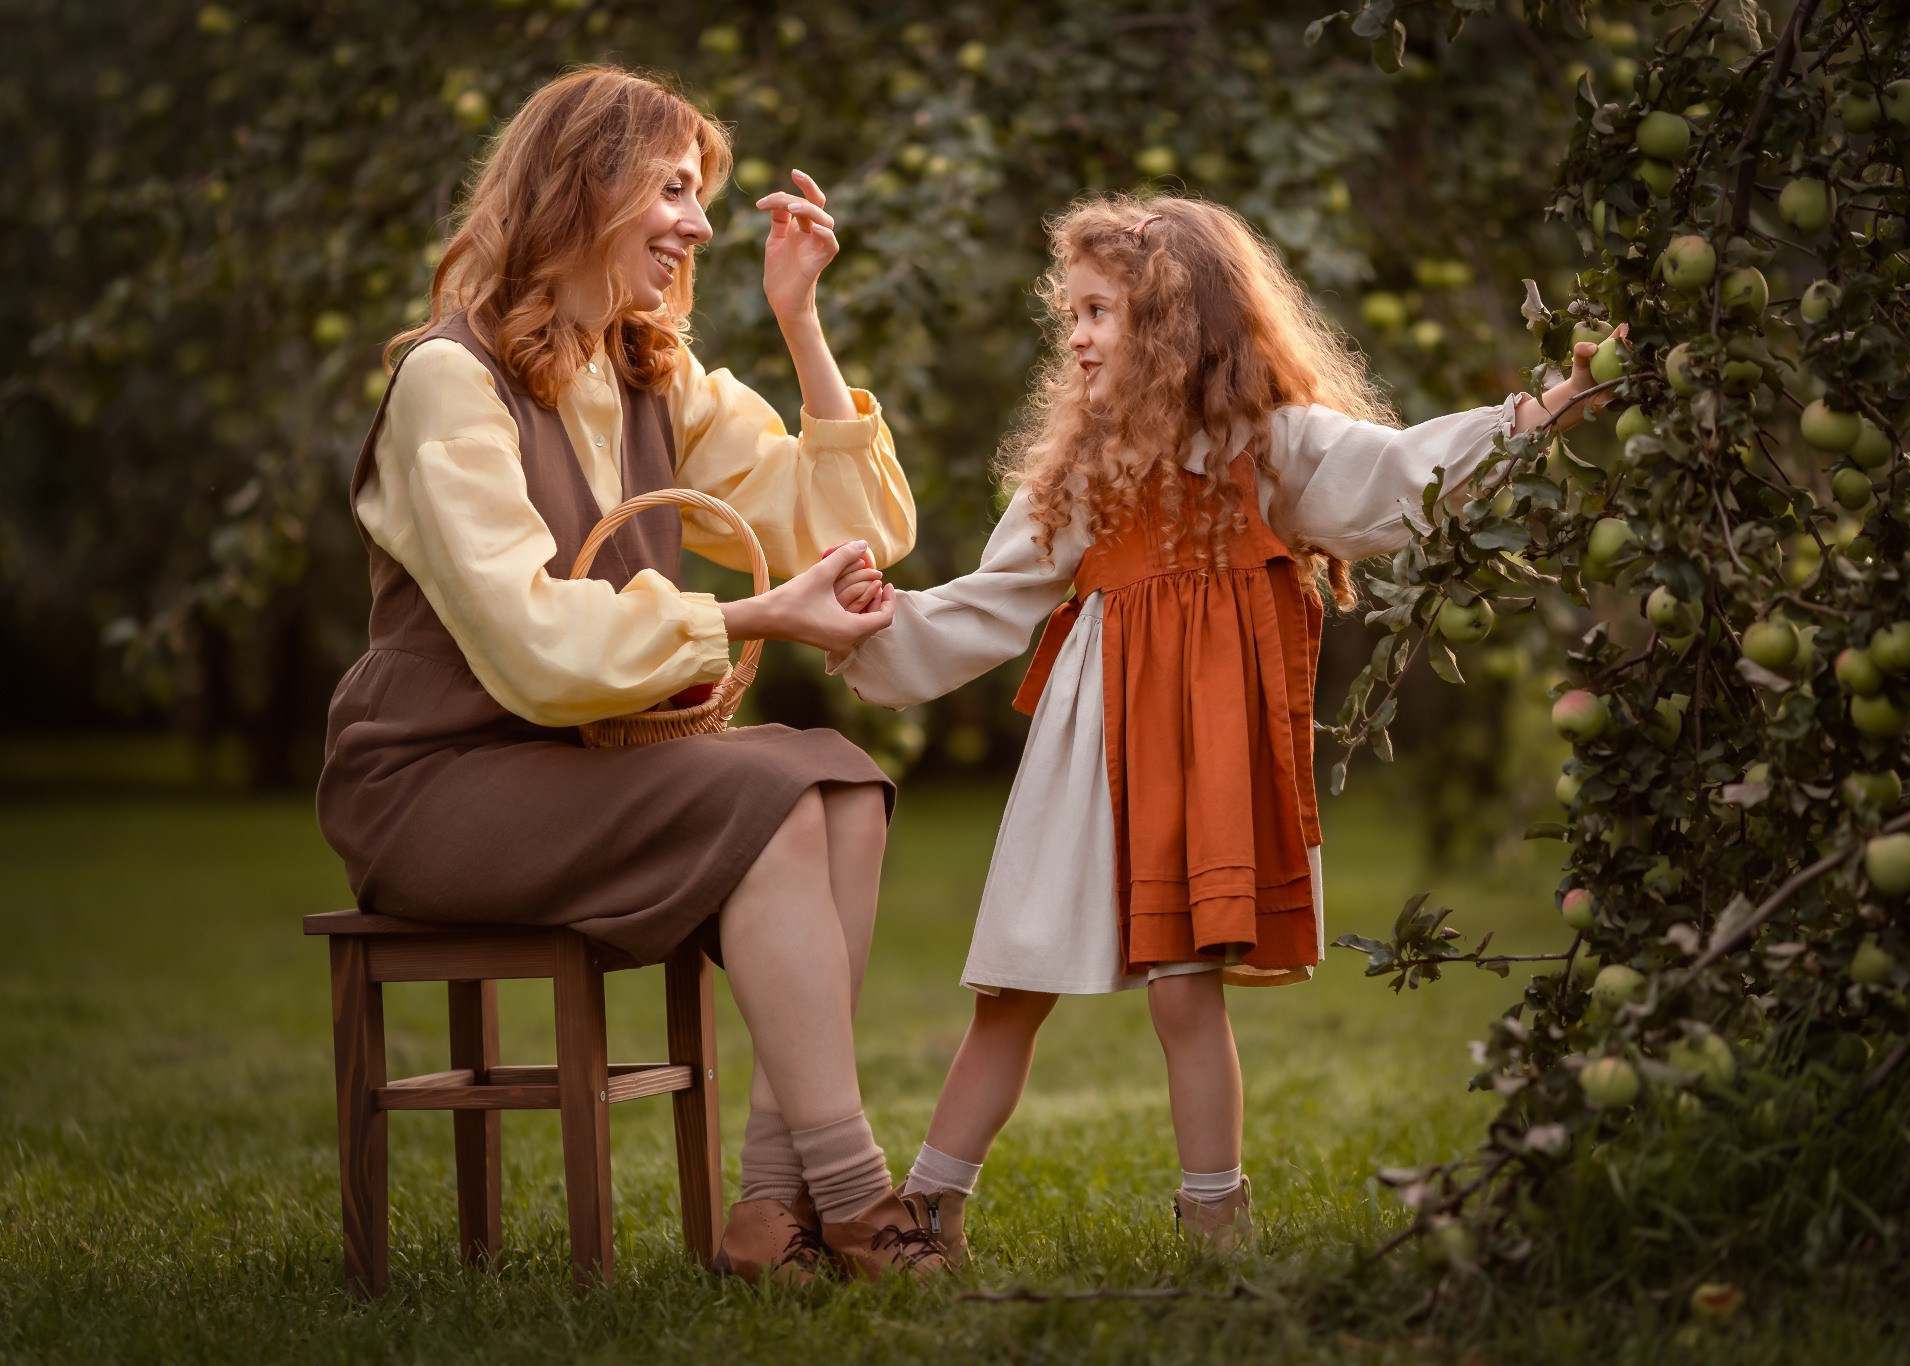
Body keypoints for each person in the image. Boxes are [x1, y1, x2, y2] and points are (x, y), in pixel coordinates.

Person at [829, 193, 1618, 1261]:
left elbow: (1392, 474)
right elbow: (985, 602)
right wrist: (864, 628)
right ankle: (926, 1212)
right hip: (1088, 761)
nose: (1075, 336)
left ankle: (1213, 1219)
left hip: (1198, 761)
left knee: (1183, 993)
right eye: (1073, 313)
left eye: (1099, 312)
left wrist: (1531, 417)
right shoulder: (1080, 469)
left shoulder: (1268, 447)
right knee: (1007, 989)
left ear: (1171, 321)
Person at [315, 66, 940, 1281]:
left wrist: (801, 322)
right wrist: (760, 614)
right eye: (670, 187)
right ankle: (861, 1199)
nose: (698, 223)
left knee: (843, 787)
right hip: (438, 782)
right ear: (580, 184)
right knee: (762, 796)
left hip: (579, 768)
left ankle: (771, 1209)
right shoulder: (453, 378)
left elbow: (845, 529)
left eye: (698, 193)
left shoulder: (650, 371)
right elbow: (536, 646)